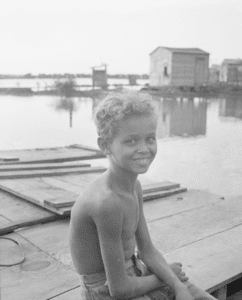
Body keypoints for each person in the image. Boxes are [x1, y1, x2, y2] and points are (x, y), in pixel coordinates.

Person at [69, 91, 216, 300]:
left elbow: (147, 250)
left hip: (136, 272)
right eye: (130, 141)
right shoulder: (106, 203)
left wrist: (178, 286)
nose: (144, 149)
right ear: (105, 145)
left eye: (150, 139)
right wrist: (165, 278)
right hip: (104, 290)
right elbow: (118, 290)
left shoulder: (134, 186)